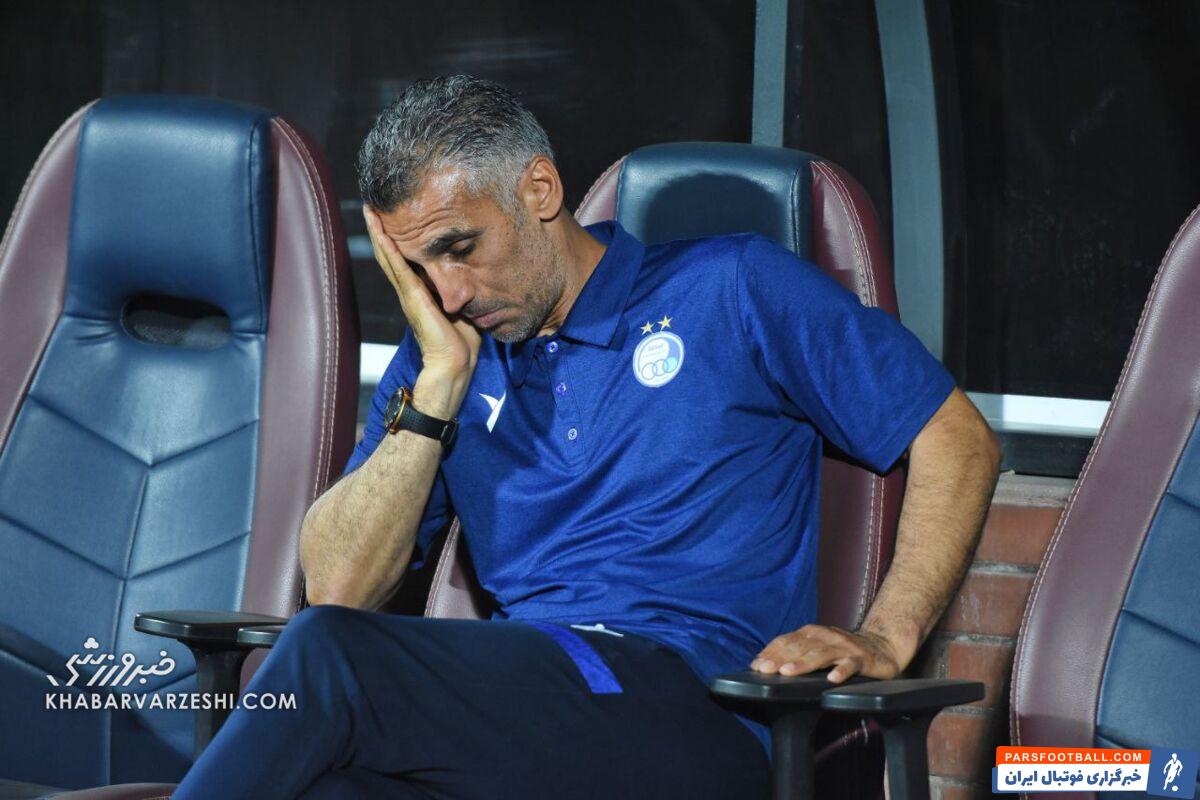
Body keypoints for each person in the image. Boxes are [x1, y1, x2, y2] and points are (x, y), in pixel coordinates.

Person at [170, 74, 1000, 799]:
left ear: (538, 189)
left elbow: (957, 435)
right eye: (420, 271)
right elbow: (339, 588)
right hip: (529, 712)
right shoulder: (442, 358)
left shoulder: (732, 286)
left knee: (329, 656)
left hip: (699, 705)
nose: (448, 294)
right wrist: (436, 392)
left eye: (460, 248)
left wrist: (887, 634)